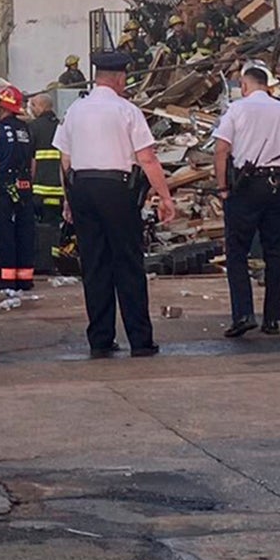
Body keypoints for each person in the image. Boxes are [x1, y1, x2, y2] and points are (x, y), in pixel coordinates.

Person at [55, 50, 175, 359]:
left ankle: (100, 338)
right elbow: (147, 157)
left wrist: (69, 200)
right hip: (117, 190)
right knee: (128, 263)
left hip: (82, 188)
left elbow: (64, 160)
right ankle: (140, 340)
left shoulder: (75, 110)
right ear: (120, 78)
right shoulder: (127, 110)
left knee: (94, 265)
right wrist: (164, 196)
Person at [211, 62, 280, 339]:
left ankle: (243, 314)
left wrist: (223, 187)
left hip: (246, 186)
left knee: (237, 251)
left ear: (246, 85)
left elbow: (221, 149)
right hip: (278, 185)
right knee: (275, 252)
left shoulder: (237, 109)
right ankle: (272, 318)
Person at [0, 85, 37, 290]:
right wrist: (27, 184)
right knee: (24, 231)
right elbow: (33, 162)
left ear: (1, 107)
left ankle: (4, 279)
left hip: (3, 187)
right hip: (24, 186)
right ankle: (24, 279)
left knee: (2, 233)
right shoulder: (26, 129)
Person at [27, 92, 66, 277]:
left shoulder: (33, 128)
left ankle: (42, 262)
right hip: (60, 189)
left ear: (41, 107)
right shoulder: (62, 126)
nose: (31, 109)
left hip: (40, 189)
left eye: (33, 105)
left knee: (41, 227)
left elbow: (32, 161)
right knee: (56, 226)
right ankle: (56, 261)